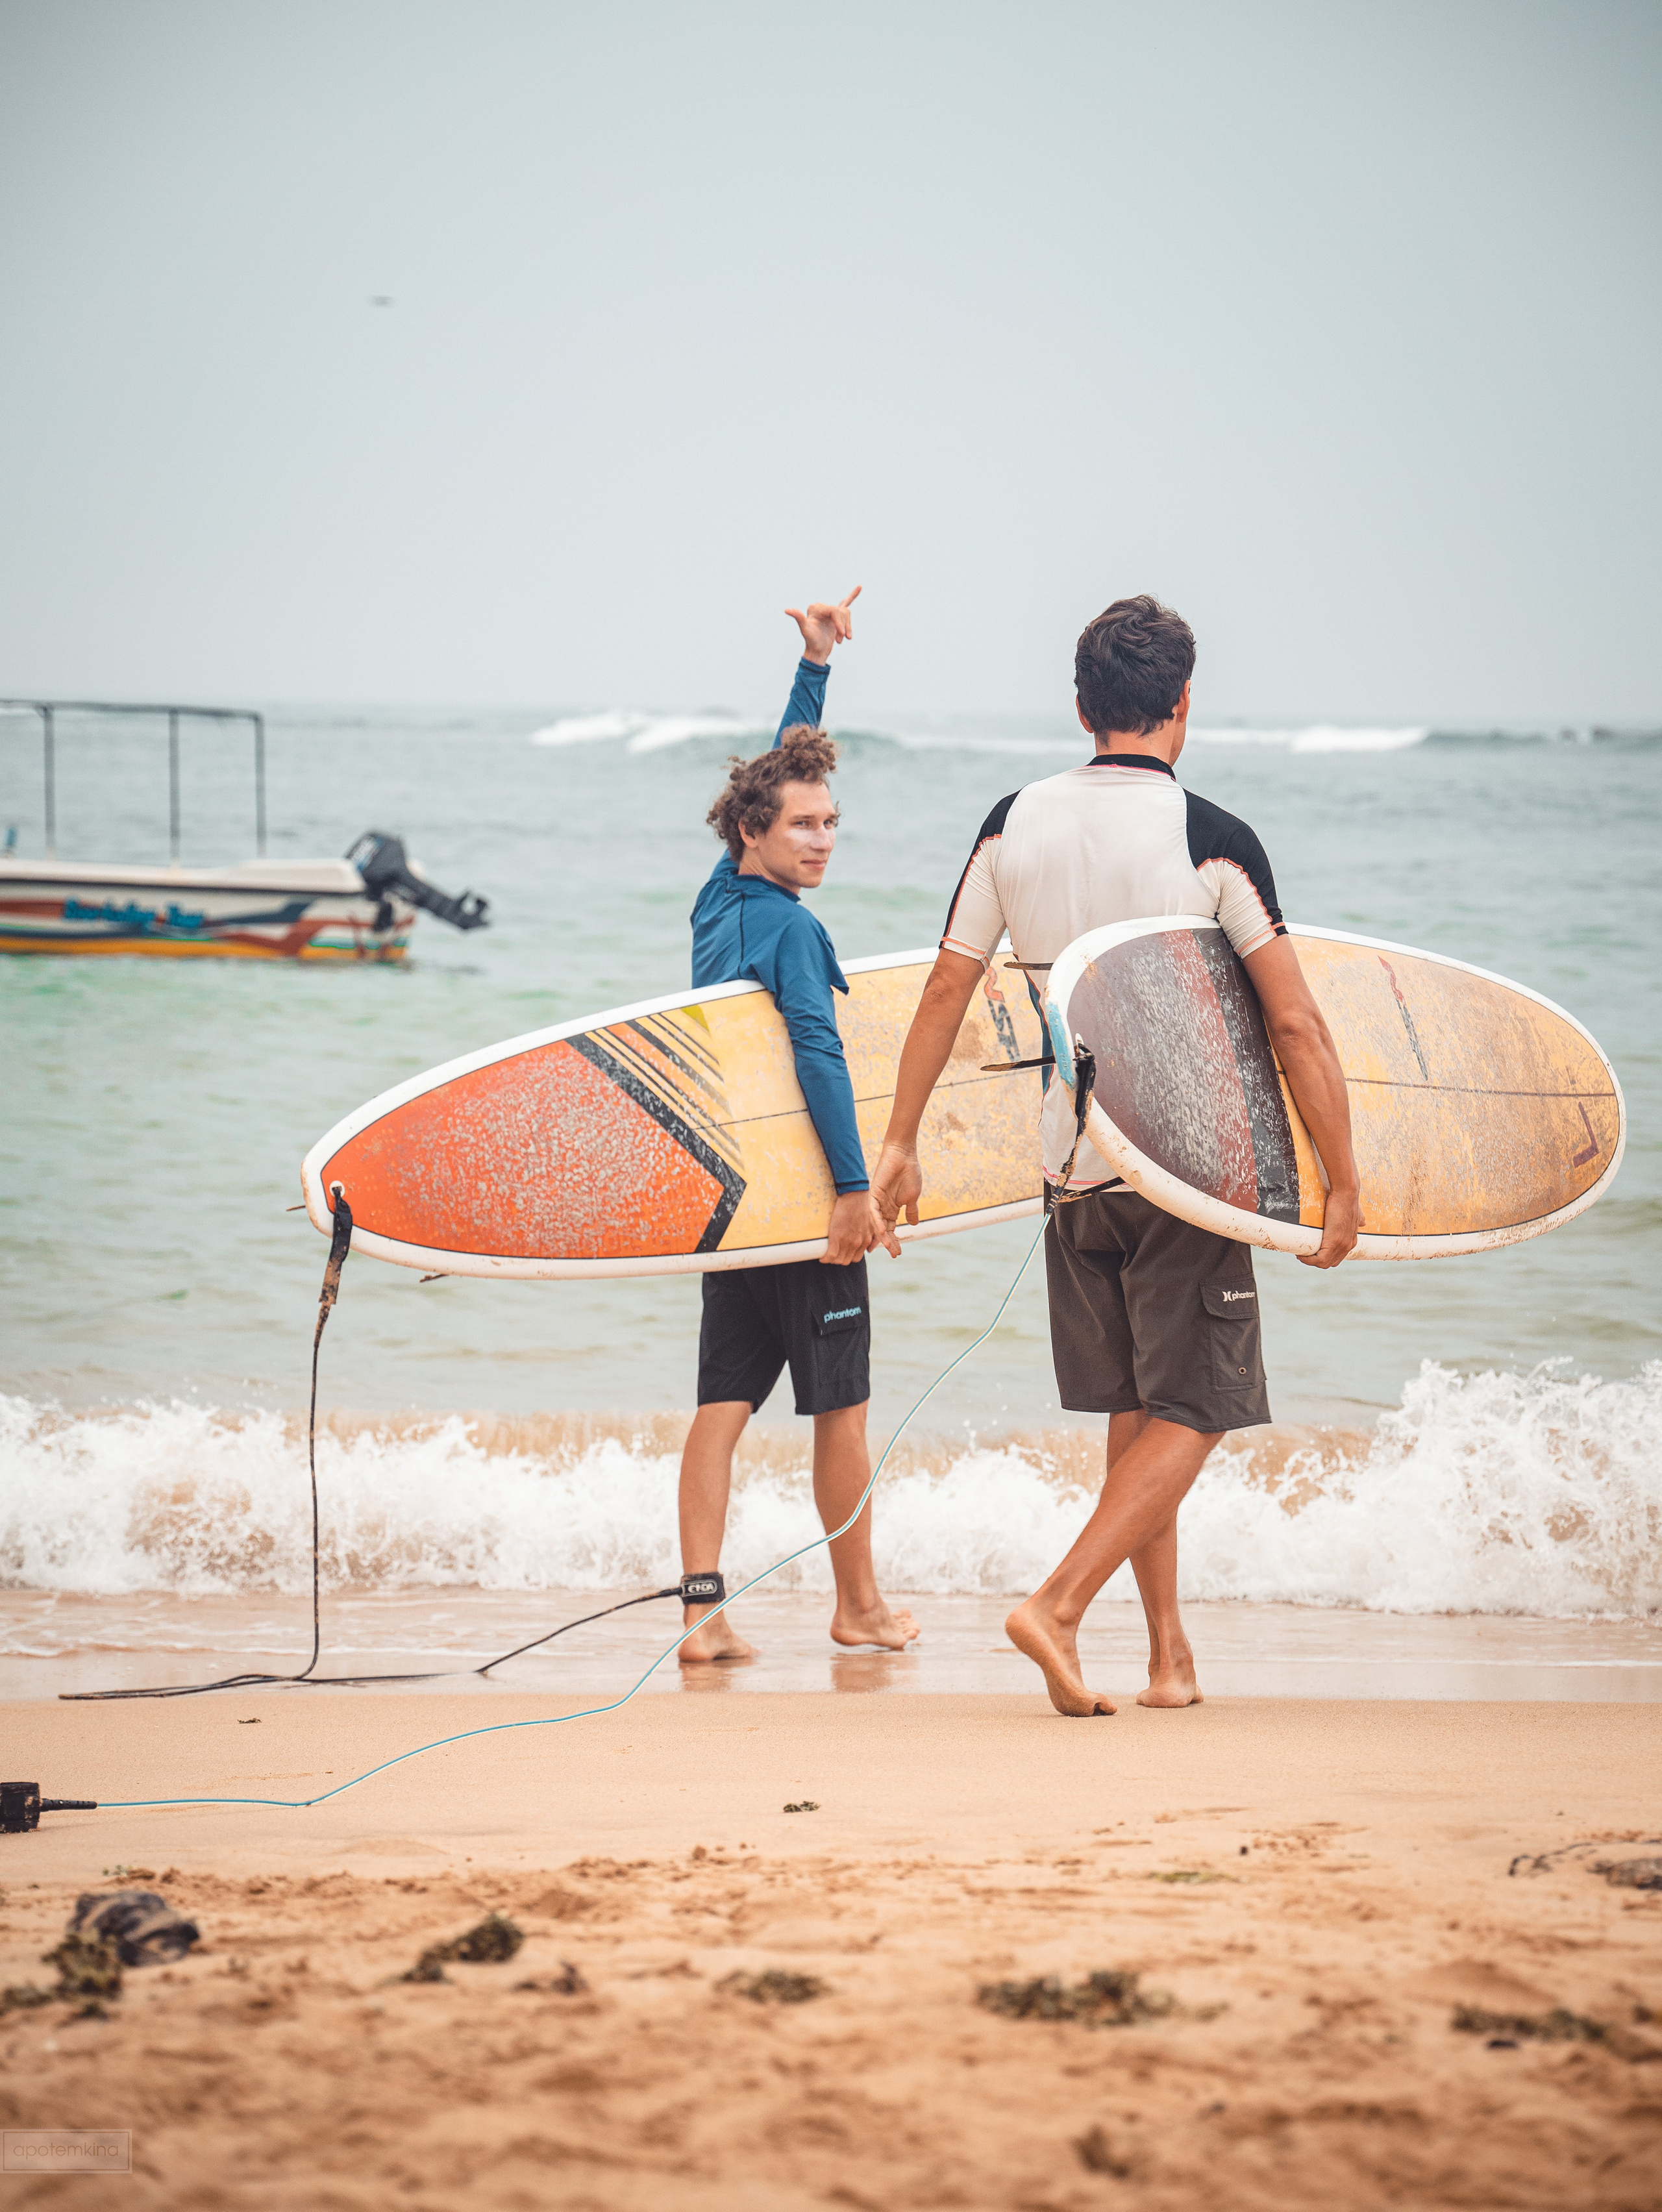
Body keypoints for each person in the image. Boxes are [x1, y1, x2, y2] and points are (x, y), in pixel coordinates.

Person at [870, 595, 1358, 1717]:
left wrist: (899, 1141)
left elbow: (949, 984)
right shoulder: (1213, 839)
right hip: (1188, 1164)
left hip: (1072, 1165)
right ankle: (1059, 1604)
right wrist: (1346, 1175)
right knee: (1198, 1408)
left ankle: (1169, 1660)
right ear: (1182, 705)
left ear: (1083, 706)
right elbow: (1293, 1025)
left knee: (1142, 1410)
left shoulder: (1011, 823)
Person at [677, 588, 919, 1665]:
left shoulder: (717, 903)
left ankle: (701, 1615)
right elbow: (819, 1056)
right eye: (806, 827)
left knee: (722, 1408)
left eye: (833, 825)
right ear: (757, 833)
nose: (823, 841)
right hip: (807, 1206)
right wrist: (857, 1190)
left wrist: (816, 669)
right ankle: (857, 1607)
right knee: (843, 1414)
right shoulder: (793, 933)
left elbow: (771, 781)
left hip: (735, 1209)